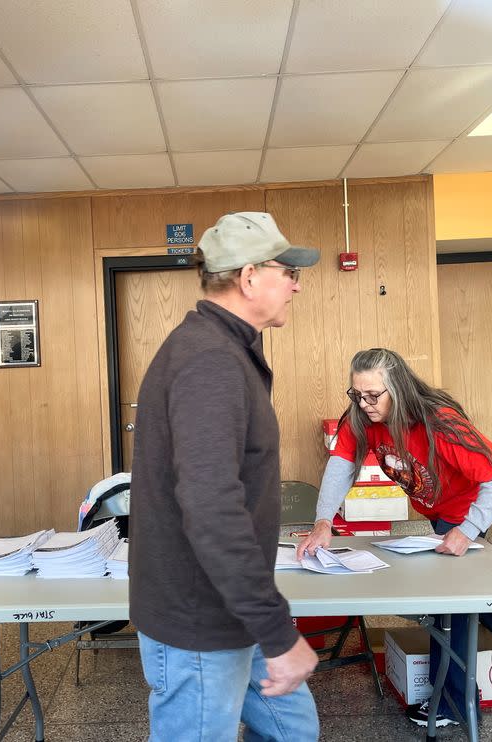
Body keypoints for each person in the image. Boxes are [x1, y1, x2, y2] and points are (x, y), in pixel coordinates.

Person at [129, 212, 321, 742]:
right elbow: (211, 505)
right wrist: (279, 634)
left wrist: (265, 622)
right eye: (287, 271)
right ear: (250, 276)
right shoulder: (209, 361)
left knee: (294, 731)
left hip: (235, 606)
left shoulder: (224, 350)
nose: (296, 284)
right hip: (200, 618)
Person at [296, 348, 492, 729]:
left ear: (399, 388)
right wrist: (323, 521)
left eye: (374, 395)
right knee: (465, 596)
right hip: (438, 512)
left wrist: (467, 530)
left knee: (453, 606)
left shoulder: (438, 422)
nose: (364, 403)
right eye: (356, 394)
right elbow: (340, 467)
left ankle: (454, 705)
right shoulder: (360, 417)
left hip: (467, 511)